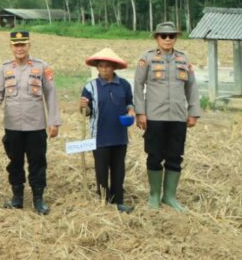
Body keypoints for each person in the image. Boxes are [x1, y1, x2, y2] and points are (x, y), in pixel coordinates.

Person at [0, 30, 60, 215]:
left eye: (23, 45)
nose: (19, 48)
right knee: (15, 162)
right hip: (12, 125)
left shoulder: (42, 67)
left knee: (38, 162)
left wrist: (54, 121)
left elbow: (51, 94)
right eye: (16, 45)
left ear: (29, 46)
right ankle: (17, 198)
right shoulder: (4, 68)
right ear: (11, 47)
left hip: (36, 125)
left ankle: (38, 199)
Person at [134, 22, 200, 211]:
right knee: (154, 156)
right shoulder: (146, 58)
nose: (168, 39)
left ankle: (169, 197)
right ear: (157, 38)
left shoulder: (183, 59)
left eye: (172, 36)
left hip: (177, 117)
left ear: (176, 38)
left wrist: (193, 112)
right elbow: (138, 85)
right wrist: (140, 112)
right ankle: (154, 195)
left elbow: (191, 87)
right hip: (155, 116)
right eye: (163, 35)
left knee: (175, 157)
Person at [80, 48, 134, 213]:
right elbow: (86, 112)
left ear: (114, 67)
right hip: (100, 136)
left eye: (107, 66)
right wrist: (84, 107)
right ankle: (103, 201)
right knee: (101, 170)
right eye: (101, 66)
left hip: (119, 135)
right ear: (97, 67)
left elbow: (129, 103)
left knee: (118, 170)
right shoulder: (90, 87)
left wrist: (131, 111)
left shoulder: (124, 85)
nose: (104, 69)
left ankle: (118, 201)